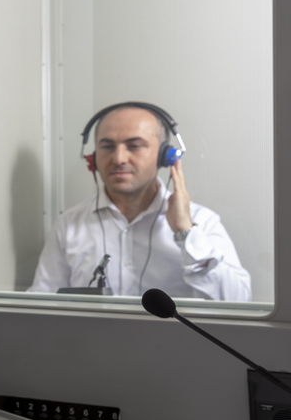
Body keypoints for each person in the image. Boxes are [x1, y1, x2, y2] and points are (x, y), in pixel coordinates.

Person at [28, 102, 251, 301]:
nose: (119, 158)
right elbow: (42, 304)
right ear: (93, 157)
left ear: (166, 156)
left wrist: (185, 233)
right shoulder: (69, 225)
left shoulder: (202, 221)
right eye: (107, 147)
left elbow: (238, 300)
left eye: (134, 145)